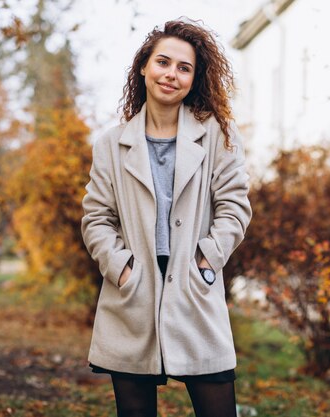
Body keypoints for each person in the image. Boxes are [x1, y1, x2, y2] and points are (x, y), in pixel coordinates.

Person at [81, 18, 252, 417]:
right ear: (144, 67)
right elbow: (96, 218)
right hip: (133, 294)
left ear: (194, 79)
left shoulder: (218, 135)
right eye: (163, 62)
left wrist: (206, 260)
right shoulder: (111, 144)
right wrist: (121, 268)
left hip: (194, 287)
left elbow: (235, 206)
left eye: (184, 68)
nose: (171, 74)